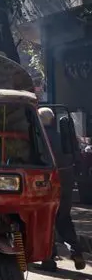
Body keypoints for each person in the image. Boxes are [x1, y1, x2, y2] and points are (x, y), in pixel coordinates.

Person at [38, 107, 86, 270]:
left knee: (47, 220)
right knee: (64, 218)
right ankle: (76, 251)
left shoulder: (40, 138)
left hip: (48, 183)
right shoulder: (62, 137)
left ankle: (49, 259)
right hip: (66, 181)